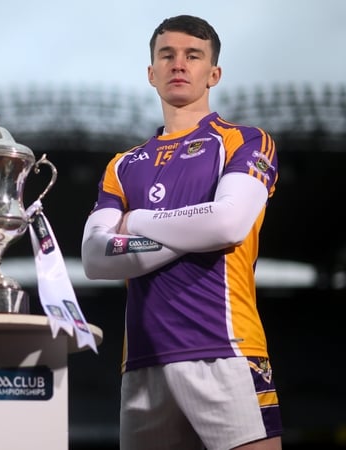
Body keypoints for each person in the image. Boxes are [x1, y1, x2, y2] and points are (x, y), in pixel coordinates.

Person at [81, 15, 282, 450]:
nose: (178, 64)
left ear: (214, 74)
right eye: (167, 55)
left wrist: (136, 221)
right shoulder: (123, 165)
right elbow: (95, 257)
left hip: (226, 349)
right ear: (151, 72)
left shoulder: (246, 142)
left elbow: (228, 224)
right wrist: (197, 231)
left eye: (193, 56)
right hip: (142, 361)